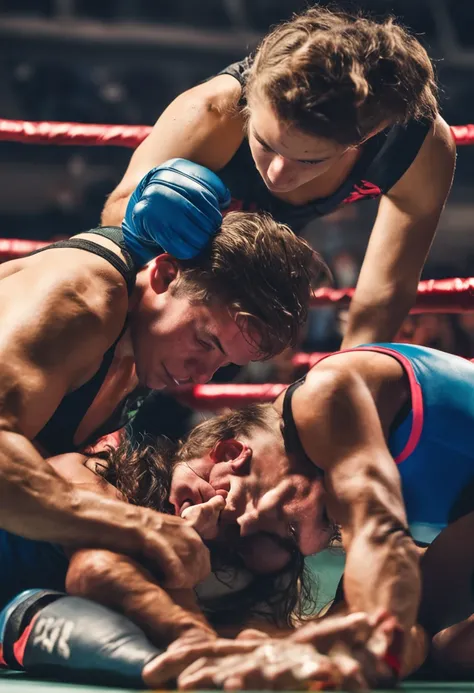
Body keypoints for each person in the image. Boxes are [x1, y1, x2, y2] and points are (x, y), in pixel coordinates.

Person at [0, 157, 323, 593]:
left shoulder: (144, 344)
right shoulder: (79, 300)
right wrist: (137, 525)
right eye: (206, 342)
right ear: (165, 274)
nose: (202, 374)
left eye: (224, 363)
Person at [102, 4, 456, 349]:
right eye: (265, 143)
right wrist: (147, 213)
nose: (278, 172)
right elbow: (112, 221)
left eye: (310, 160)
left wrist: (346, 378)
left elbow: (387, 289)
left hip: (259, 308)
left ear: (362, 138)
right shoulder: (212, 113)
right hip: (173, 294)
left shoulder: (415, 148)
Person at [155, 341, 474, 685]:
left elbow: (377, 534)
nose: (247, 521)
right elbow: (406, 613)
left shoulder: (321, 397)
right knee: (444, 648)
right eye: (286, 539)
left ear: (233, 452)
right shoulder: (337, 470)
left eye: (285, 526)